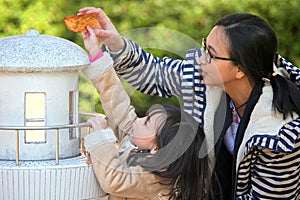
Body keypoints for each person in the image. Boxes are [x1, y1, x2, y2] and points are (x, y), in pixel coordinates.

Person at [78, 7, 300, 199]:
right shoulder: (203, 76)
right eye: (205, 46)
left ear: (240, 69)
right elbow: (153, 73)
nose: (201, 58)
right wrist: (114, 42)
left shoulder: (281, 136)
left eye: (211, 55)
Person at [81, 26, 218, 199]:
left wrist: (101, 138)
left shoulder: (154, 179)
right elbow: (117, 104)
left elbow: (114, 179)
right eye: (145, 117)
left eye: (146, 122)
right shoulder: (137, 143)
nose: (138, 120)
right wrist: (96, 55)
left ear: (157, 148)